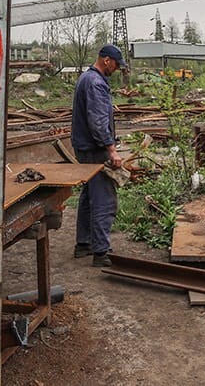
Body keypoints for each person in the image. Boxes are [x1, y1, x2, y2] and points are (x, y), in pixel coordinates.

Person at [71, 44, 127, 267]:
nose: (116, 69)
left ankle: (83, 244)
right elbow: (98, 121)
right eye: (116, 65)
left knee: (88, 195)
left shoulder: (86, 78)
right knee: (104, 199)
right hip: (95, 149)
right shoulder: (96, 83)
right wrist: (111, 149)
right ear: (106, 60)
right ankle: (101, 252)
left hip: (84, 147)